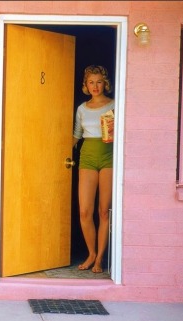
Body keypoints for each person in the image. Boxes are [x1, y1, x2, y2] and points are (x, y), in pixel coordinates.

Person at [72, 65, 114, 273]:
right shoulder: (81, 108)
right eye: (91, 82)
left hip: (109, 156)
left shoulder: (115, 104)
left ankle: (100, 259)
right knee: (85, 211)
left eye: (98, 82)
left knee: (103, 212)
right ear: (86, 85)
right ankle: (91, 254)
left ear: (104, 83)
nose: (95, 86)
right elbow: (76, 136)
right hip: (87, 156)